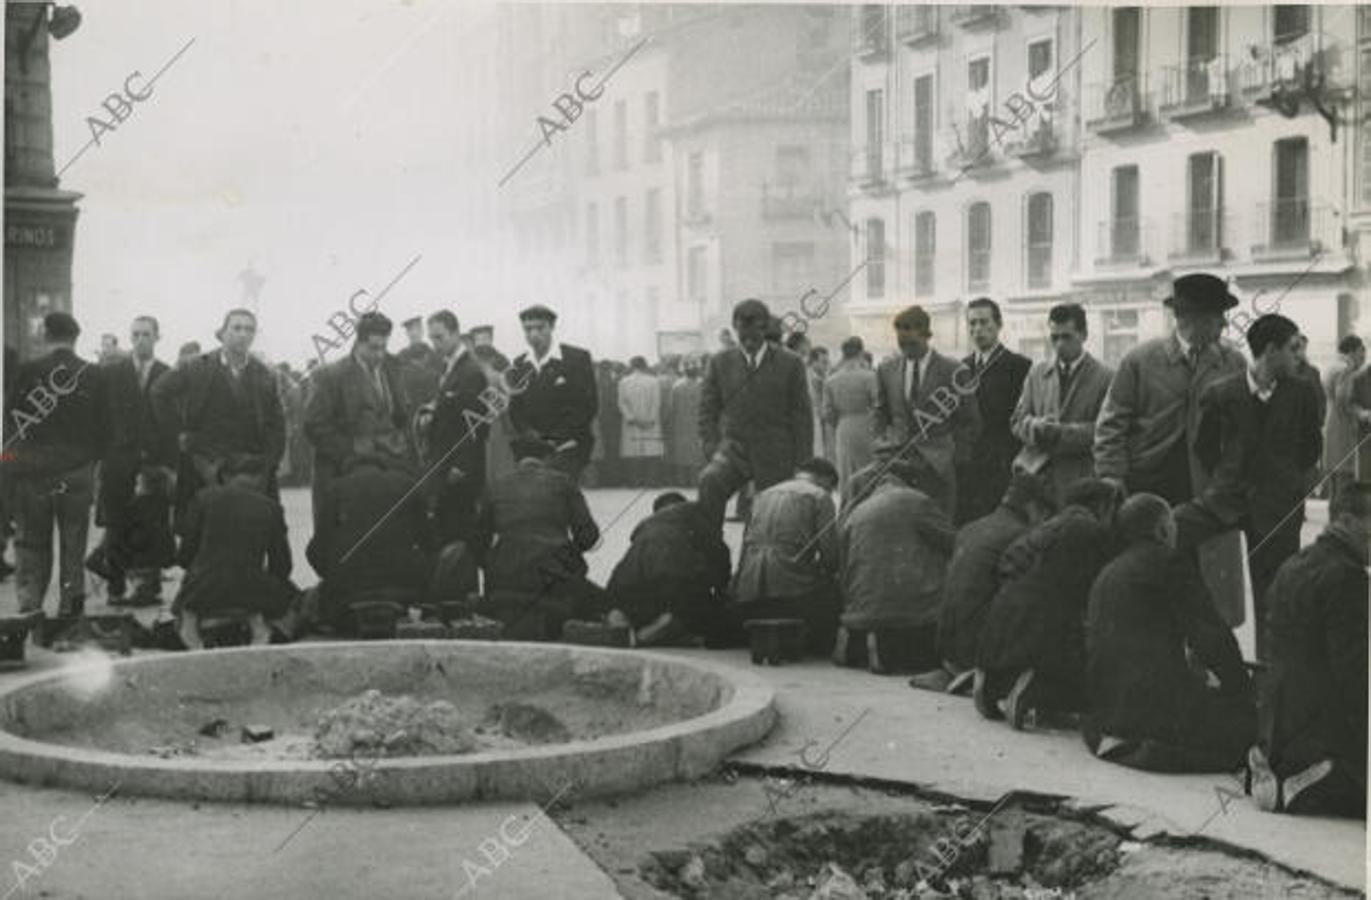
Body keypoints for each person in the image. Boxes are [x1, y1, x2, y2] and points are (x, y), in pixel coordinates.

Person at [1181, 314, 1322, 659]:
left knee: (1273, 595)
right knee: (1175, 533)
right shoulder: (1220, 393)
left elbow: (1310, 449)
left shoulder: (1303, 393)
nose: (1298, 356)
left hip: (1278, 507)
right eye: (1292, 348)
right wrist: (1228, 480)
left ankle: (1268, 673)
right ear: (1270, 350)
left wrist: (1286, 483)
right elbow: (1205, 448)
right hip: (1225, 501)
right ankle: (1205, 657)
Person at [1083, 494, 1255, 773]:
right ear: (1162, 529)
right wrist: (1242, 690)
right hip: (1151, 711)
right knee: (1249, 725)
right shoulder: (1169, 562)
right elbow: (1212, 637)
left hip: (1105, 710)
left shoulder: (1109, 572)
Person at [1249, 483, 1369, 818]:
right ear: (1347, 520)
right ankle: (1312, 780)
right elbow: (1356, 673)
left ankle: (1278, 767)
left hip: (1282, 723)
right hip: (1321, 730)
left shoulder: (1294, 564)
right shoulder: (1347, 577)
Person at [974, 478, 1123, 729]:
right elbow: (1092, 588)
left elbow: (1008, 561)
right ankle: (1032, 691)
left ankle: (991, 685)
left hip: (1004, 613)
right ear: (1103, 506)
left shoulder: (1049, 525)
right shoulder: (1088, 529)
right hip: (1041, 624)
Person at [1095, 273, 1245, 504]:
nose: (1224, 324)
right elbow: (1111, 425)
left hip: (1208, 490)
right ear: (1193, 318)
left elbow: (1242, 429)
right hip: (1146, 484)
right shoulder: (1139, 361)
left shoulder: (1233, 363)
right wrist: (1111, 476)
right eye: (1218, 315)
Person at [3, 312, 107, 620]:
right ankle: (70, 611)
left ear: (46, 335)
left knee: (31, 542)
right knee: (74, 544)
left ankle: (30, 607)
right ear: (76, 338)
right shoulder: (94, 374)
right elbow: (104, 426)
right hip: (77, 471)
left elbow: (11, 421)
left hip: (33, 473)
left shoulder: (26, 371)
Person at [152, 309, 286, 534]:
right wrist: (178, 434)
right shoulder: (196, 366)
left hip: (248, 469)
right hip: (204, 464)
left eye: (249, 329)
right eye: (236, 328)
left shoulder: (264, 375)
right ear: (222, 333)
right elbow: (159, 392)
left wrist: (268, 465)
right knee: (200, 534)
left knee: (251, 534)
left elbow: (277, 424)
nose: (243, 334)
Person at [303, 311, 415, 563]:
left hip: (389, 475)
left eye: (384, 347)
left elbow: (401, 416)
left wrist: (398, 442)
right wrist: (354, 449)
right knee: (345, 549)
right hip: (344, 476)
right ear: (358, 342)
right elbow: (314, 426)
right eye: (373, 348)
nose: (379, 355)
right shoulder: (329, 376)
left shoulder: (394, 369)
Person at [697, 299, 813, 528]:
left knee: (768, 517)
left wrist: (802, 464)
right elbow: (707, 412)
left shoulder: (791, 363)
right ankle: (709, 546)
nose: (749, 340)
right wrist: (713, 449)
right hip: (733, 453)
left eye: (755, 333)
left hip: (777, 455)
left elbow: (802, 417)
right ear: (735, 328)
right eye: (743, 333)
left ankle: (756, 550)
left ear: (765, 328)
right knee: (709, 481)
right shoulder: (720, 362)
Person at [476, 437, 605, 641]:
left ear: (516, 459)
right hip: (556, 576)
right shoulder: (563, 483)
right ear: (547, 458)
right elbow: (588, 537)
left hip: (505, 578)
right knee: (603, 602)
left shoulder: (496, 486)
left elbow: (478, 540)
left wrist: (496, 564)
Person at [835, 466, 956, 676]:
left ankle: (857, 643)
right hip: (909, 608)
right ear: (910, 481)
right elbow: (952, 542)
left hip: (859, 607)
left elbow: (842, 561)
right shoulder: (917, 501)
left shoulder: (857, 511)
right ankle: (885, 652)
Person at [934, 471, 1056, 680]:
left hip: (947, 650)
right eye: (1045, 514)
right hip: (976, 654)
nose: (1044, 521)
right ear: (1031, 507)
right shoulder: (1022, 536)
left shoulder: (971, 528)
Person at [91, 315, 175, 605]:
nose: (140, 340)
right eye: (136, 334)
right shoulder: (111, 374)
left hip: (153, 461)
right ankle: (115, 587)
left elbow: (174, 422)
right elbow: (99, 417)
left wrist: (167, 463)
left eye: (146, 334)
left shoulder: (168, 374)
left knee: (153, 523)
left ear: (157, 337)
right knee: (116, 523)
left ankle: (147, 587)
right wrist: (105, 454)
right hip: (117, 461)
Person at [174, 456, 294, 649]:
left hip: (201, 592)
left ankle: (190, 629)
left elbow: (184, 557)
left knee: (192, 595)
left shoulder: (203, 498)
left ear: (225, 476)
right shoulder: (272, 508)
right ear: (261, 478)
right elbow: (282, 566)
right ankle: (259, 626)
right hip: (251, 591)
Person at [872, 305, 981, 518]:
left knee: (939, 524)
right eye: (901, 344)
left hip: (938, 470)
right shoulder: (886, 369)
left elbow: (970, 421)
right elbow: (880, 413)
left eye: (912, 343)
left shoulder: (954, 370)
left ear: (927, 335)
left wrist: (953, 458)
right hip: (898, 467)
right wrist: (881, 445)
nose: (906, 350)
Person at [308, 455, 432, 633]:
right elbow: (429, 543)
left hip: (347, 596)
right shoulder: (407, 484)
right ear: (382, 467)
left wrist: (335, 575)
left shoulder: (334, 489)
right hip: (405, 594)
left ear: (347, 470)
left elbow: (316, 552)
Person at [730, 458, 841, 655]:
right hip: (791, 584)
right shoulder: (820, 496)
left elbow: (745, 546)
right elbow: (830, 555)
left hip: (751, 584)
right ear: (826, 480)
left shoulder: (764, 495)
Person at [1010, 304, 1113, 505]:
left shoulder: (1105, 377)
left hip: (1080, 480)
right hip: (1036, 478)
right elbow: (1017, 420)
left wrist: (1062, 433)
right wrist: (1036, 426)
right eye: (1054, 338)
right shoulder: (1037, 373)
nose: (1059, 345)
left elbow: (1107, 431)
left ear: (1083, 335)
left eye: (1066, 337)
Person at [605, 492, 731, 646]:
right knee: (698, 610)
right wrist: (719, 592)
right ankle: (652, 632)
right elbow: (720, 556)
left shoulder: (645, 528)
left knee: (624, 605)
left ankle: (620, 620)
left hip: (626, 584)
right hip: (671, 582)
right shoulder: (693, 516)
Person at [957, 298, 1031, 524]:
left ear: (998, 325)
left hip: (1003, 466)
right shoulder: (961, 368)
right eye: (972, 323)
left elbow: (1023, 419)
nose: (977, 329)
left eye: (984, 322)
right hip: (969, 468)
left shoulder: (1019, 366)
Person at [420, 310, 489, 547]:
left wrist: (462, 465)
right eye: (432, 338)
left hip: (459, 470)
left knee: (459, 533)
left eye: (439, 337)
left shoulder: (471, 372)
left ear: (456, 334)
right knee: (448, 530)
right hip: (445, 464)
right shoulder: (449, 368)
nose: (435, 344)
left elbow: (478, 423)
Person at [507, 305, 598, 480]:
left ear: (552, 327)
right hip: (533, 448)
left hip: (568, 446)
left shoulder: (576, 358)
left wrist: (555, 438)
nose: (534, 334)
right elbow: (515, 408)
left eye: (540, 328)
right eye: (528, 329)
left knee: (560, 491)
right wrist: (529, 433)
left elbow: (587, 405)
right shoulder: (520, 364)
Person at [823, 337, 878, 491]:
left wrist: (839, 421)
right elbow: (878, 405)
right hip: (867, 426)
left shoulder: (831, 380)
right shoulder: (870, 377)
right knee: (868, 469)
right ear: (861, 352)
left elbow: (827, 413)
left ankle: (847, 502)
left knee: (846, 470)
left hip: (843, 427)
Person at [1322, 336, 1363, 494]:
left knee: (1334, 480)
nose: (1362, 355)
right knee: (1345, 481)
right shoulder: (1346, 369)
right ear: (1352, 351)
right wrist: (1362, 413)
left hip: (1332, 423)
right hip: (1344, 428)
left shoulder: (1331, 366)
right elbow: (1345, 400)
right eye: (1360, 351)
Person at [617, 356, 664, 488]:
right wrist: (651, 419)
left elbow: (621, 403)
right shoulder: (654, 381)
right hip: (650, 423)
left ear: (631, 366)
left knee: (633, 453)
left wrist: (631, 418)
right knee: (651, 452)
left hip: (632, 424)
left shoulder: (624, 381)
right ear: (645, 366)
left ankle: (634, 481)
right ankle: (652, 481)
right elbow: (656, 402)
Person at [667, 357, 704, 486]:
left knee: (681, 454)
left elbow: (671, 408)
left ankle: (682, 481)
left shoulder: (677, 386)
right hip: (698, 423)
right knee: (697, 453)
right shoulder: (703, 385)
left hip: (680, 424)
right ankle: (695, 481)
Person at [396, 315, 441, 408]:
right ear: (407, 333)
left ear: (422, 331)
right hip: (410, 408)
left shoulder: (434, 356)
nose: (413, 333)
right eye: (409, 330)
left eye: (416, 329)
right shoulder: (401, 358)